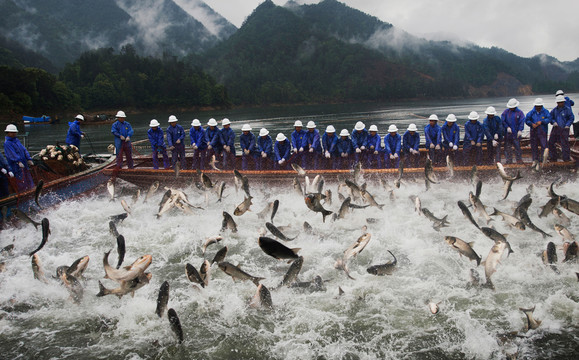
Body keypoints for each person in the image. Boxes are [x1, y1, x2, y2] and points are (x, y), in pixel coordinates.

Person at [4, 124, 34, 192]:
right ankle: (23, 192)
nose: (14, 134)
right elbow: (11, 155)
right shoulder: (7, 143)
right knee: (21, 180)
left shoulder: (17, 140)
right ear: (8, 133)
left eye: (15, 132)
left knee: (28, 178)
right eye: (12, 132)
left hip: (24, 164)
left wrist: (28, 158)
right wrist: (18, 161)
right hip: (16, 166)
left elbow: (24, 149)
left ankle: (31, 190)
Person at [548, 95, 575, 162]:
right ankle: (553, 157)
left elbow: (571, 118)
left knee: (564, 143)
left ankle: (566, 158)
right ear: (557, 103)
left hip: (564, 129)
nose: (560, 103)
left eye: (562, 102)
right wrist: (553, 122)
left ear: (563, 102)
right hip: (556, 128)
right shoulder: (554, 110)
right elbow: (550, 117)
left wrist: (568, 125)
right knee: (551, 142)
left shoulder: (567, 110)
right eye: (559, 102)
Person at [524, 98, 550, 166]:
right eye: (537, 106)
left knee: (544, 146)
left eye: (539, 106)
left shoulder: (545, 112)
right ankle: (535, 160)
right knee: (534, 146)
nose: (538, 107)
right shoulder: (531, 113)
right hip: (534, 132)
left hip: (542, 132)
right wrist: (531, 124)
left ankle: (544, 159)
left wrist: (541, 122)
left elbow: (549, 119)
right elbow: (527, 120)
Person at [501, 98, 525, 164]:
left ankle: (519, 160)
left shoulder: (520, 113)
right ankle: (509, 161)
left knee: (517, 147)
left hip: (516, 134)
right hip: (508, 134)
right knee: (507, 148)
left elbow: (522, 122)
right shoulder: (505, 112)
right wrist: (507, 127)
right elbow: (503, 121)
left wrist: (520, 130)